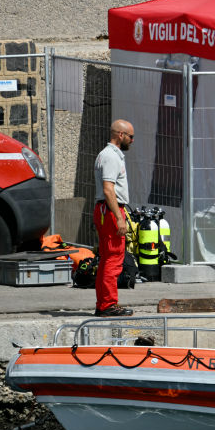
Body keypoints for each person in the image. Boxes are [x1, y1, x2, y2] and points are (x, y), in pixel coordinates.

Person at [90, 120, 136, 317]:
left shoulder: (107, 155)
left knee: (107, 259)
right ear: (120, 135)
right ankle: (108, 304)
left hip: (105, 210)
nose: (132, 141)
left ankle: (104, 303)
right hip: (110, 210)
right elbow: (109, 189)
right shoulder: (111, 157)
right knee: (114, 258)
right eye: (130, 137)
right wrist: (119, 217)